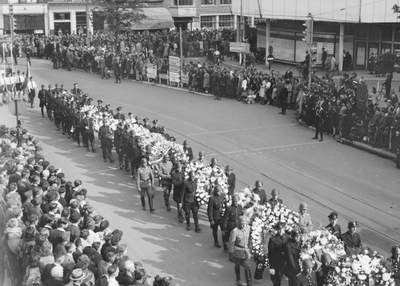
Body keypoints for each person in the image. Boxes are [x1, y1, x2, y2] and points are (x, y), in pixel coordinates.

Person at [228, 216, 252, 286]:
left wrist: (250, 248)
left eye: (243, 224)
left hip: (246, 252)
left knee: (247, 267)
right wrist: (231, 254)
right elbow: (231, 243)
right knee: (237, 265)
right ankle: (238, 279)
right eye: (241, 224)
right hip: (237, 253)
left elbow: (250, 239)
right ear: (238, 223)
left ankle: (249, 283)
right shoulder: (235, 231)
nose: (242, 225)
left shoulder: (248, 229)